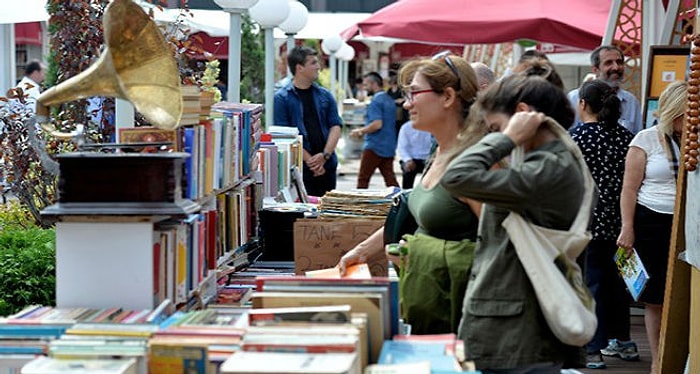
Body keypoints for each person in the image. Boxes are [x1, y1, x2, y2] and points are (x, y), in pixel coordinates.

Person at [441, 74, 587, 372]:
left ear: (522, 115)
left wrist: (506, 139)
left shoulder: (549, 168)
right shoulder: (545, 162)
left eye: (494, 127)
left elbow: (456, 176)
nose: (491, 135)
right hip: (516, 329)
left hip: (518, 337)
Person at [338, 52, 484, 335]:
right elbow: (415, 211)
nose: (406, 103)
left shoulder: (475, 163)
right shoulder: (440, 152)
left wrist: (416, 254)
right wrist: (362, 252)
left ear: (448, 97)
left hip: (465, 322)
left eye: (414, 93)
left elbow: (501, 246)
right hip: (435, 313)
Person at [617, 80, 686, 374]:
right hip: (652, 220)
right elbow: (629, 189)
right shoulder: (645, 139)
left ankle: (683, 355)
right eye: (686, 113)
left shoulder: (693, 138)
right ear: (673, 111)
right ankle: (658, 361)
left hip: (686, 223)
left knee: (685, 291)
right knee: (655, 297)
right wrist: (627, 227)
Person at [569, 79, 635, 369]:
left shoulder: (577, 137)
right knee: (618, 282)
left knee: (591, 282)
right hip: (622, 220)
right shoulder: (625, 136)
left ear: (582, 104)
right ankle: (622, 340)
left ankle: (592, 348)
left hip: (588, 219)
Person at [274, 46, 343, 197]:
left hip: (327, 165)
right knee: (303, 217)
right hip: (299, 169)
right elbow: (284, 135)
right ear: (299, 68)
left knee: (326, 213)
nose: (318, 67)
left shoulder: (325, 95)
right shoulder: (282, 98)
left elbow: (335, 126)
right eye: (313, 63)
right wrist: (312, 162)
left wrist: (324, 156)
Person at [568, 45, 642, 134]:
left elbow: (637, 137)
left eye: (619, 62)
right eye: (608, 63)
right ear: (595, 70)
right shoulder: (575, 98)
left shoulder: (631, 102)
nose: (616, 67)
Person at [350, 72, 399, 189]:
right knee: (390, 180)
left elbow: (377, 124)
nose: (364, 88)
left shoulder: (376, 101)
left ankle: (359, 205)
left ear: (374, 84)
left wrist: (360, 131)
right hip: (389, 145)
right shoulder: (389, 100)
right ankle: (400, 203)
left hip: (374, 145)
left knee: (363, 180)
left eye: (366, 85)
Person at [397, 120, 433, 189]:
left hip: (427, 158)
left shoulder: (432, 126)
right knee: (408, 170)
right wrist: (408, 160)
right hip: (411, 158)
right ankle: (406, 193)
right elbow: (402, 147)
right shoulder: (406, 127)